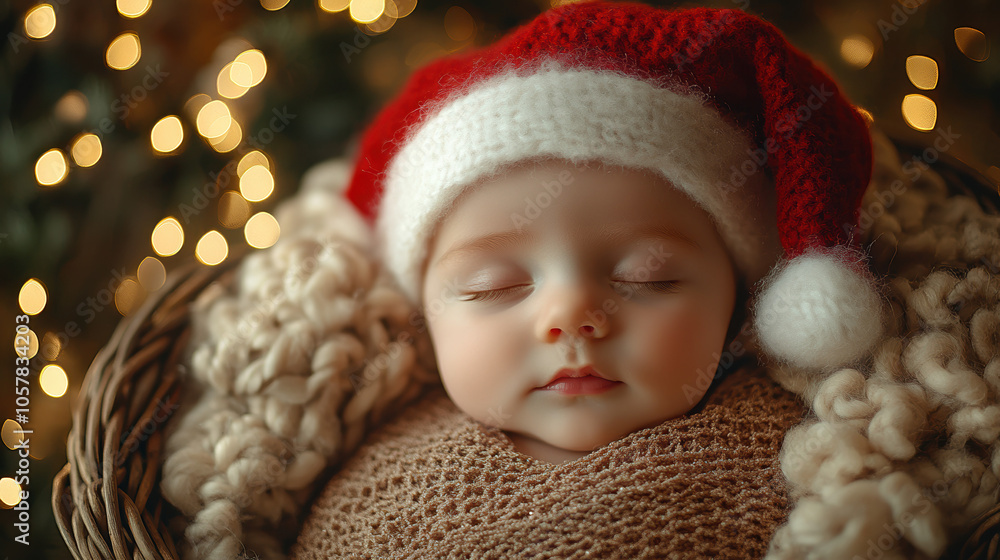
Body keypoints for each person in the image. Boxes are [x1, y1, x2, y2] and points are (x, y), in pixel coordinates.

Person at [291, 1, 884, 557]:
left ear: (739, 298)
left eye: (648, 277)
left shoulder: (807, 456)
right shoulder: (374, 476)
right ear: (422, 310)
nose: (571, 314)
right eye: (492, 286)